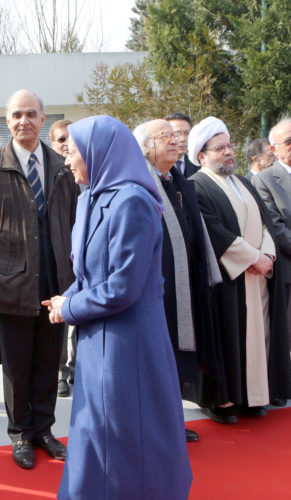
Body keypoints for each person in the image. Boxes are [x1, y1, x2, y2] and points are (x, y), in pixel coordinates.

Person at [44, 115, 192, 500]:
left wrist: (71, 307)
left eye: (72, 152)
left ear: (98, 153)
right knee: (96, 433)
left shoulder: (134, 203)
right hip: (97, 339)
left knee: (128, 439)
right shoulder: (89, 197)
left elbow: (123, 287)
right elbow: (91, 273)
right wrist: (66, 299)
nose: (67, 161)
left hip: (129, 346)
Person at [0, 90, 78, 469]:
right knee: (16, 366)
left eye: (31, 113)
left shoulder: (62, 168)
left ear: (43, 119)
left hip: (55, 283)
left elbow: (75, 226)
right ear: (7, 120)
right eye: (16, 114)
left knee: (50, 359)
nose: (23, 121)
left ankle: (44, 429)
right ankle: (19, 434)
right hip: (9, 286)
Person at [187, 116, 291, 423]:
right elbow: (214, 231)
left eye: (229, 145)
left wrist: (267, 255)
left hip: (257, 276)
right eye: (220, 148)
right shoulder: (197, 186)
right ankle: (223, 401)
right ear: (202, 156)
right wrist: (251, 258)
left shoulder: (243, 182)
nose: (228, 152)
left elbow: (265, 223)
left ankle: (253, 397)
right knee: (227, 339)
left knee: (259, 337)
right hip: (226, 280)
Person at [133, 119, 221, 442]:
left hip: (184, 281)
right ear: (145, 146)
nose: (175, 140)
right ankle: (154, 426)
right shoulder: (139, 182)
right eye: (165, 136)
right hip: (155, 285)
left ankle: (171, 420)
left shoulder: (176, 179)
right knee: (158, 356)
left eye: (176, 135)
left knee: (176, 356)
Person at [251, 117, 291, 392]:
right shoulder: (264, 180)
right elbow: (274, 225)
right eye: (289, 141)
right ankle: (276, 384)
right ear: (274, 149)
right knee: (286, 330)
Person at [49, 119, 76, 398]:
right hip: (59, 260)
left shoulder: (88, 169)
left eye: (71, 138)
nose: (67, 144)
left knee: (82, 319)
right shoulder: (51, 175)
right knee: (59, 319)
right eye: (61, 139)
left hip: (82, 259)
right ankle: (60, 374)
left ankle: (78, 368)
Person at [164, 112, 200, 178]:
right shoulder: (155, 167)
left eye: (186, 133)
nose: (182, 139)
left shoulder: (198, 166)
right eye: (176, 133)